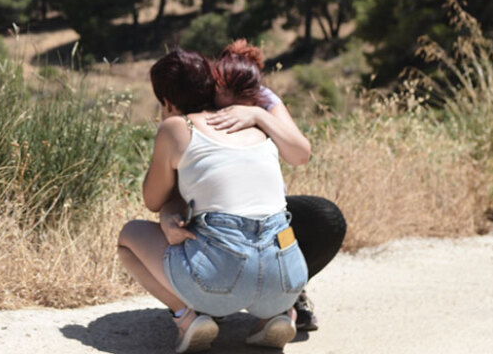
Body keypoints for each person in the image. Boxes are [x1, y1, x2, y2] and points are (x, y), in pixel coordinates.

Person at [117, 49, 311, 352]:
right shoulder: (254, 119)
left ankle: (186, 318)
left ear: (167, 102)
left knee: (129, 237)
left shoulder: (178, 128)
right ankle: (279, 313)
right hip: (289, 280)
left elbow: (152, 199)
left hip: (219, 283)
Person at [206, 40, 347, 332]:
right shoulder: (200, 96)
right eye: (223, 87)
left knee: (327, 218)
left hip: (268, 215)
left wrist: (259, 115)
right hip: (212, 216)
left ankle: (289, 290)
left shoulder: (262, 99)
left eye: (244, 89)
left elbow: (300, 154)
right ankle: (202, 300)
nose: (229, 99)